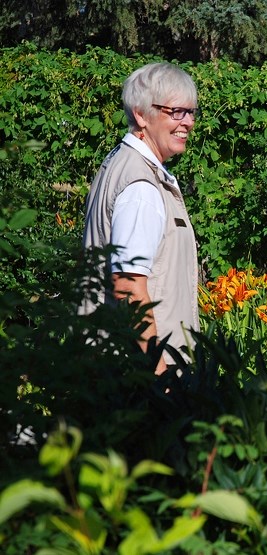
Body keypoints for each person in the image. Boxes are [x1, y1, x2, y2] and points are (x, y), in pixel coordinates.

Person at [80, 62, 201, 375]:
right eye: (176, 111)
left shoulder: (121, 165)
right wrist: (160, 375)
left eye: (191, 112)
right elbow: (129, 286)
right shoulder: (141, 185)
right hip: (143, 373)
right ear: (141, 114)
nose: (187, 122)